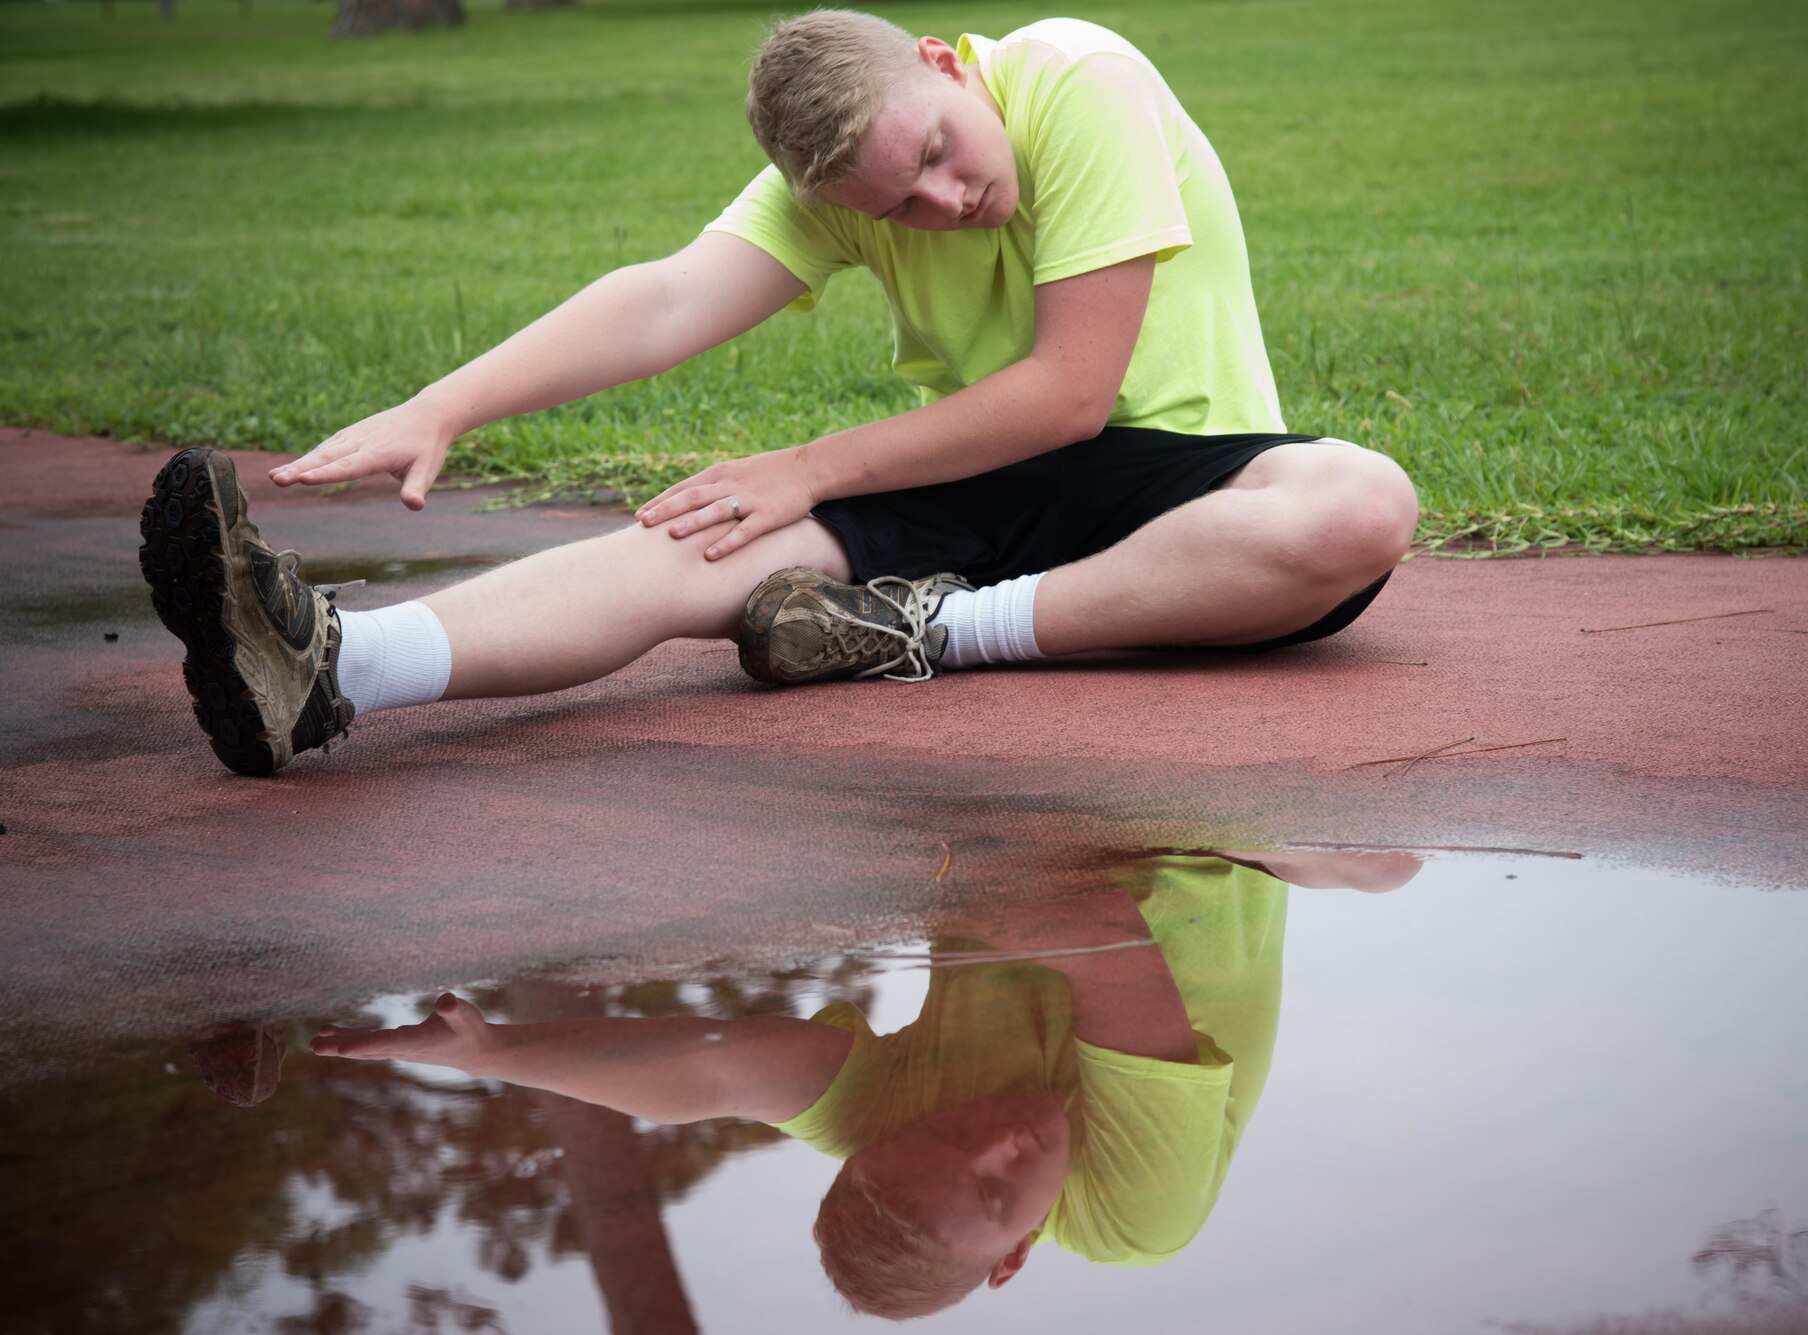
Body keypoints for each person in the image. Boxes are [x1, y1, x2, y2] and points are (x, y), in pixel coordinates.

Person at [139, 10, 1418, 776]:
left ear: (945, 63)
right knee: (699, 535)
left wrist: (807, 465)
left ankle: (921, 629)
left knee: (1356, 505)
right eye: (889, 207)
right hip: (984, 493)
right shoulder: (835, 187)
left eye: (935, 154)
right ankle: (333, 667)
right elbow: (665, 298)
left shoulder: (1075, 75)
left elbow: (1071, 396)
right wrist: (446, 404)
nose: (941, 203)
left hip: (1193, 498)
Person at [308, 850, 1423, 1319]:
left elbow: (710, 1074)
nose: (999, 1146)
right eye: (995, 1198)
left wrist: (497, 1053)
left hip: (1039, 833)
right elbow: (1104, 938)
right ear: (1014, 1260)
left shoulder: (889, 1132)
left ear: (881, 1141)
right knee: (1373, 861)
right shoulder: (1138, 1218)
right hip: (1217, 843)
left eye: (946, 1137)